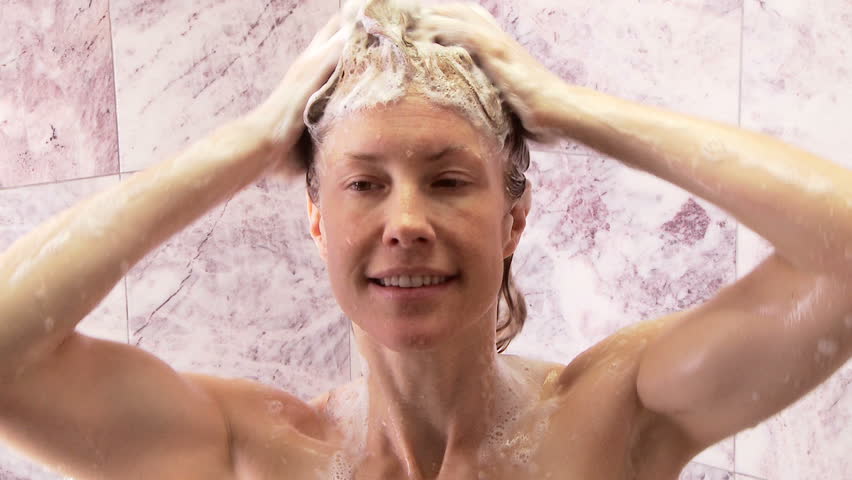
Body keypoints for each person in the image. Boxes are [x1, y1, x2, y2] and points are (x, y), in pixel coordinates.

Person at [1, 1, 850, 479]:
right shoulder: (248, 455)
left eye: (448, 180)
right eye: (364, 184)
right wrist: (252, 142)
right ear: (317, 217)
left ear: (515, 218)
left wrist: (569, 107)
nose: (405, 222)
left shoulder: (611, 420)